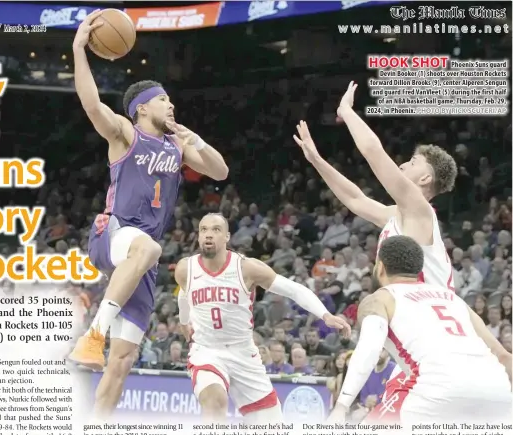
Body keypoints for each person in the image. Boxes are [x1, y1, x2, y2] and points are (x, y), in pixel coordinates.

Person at [68, 11, 229, 418]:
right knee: (150, 247)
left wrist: (196, 139)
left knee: (122, 360)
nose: (171, 104)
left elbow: (220, 171)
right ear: (142, 109)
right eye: (163, 99)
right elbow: (91, 104)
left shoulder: (177, 146)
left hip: (141, 260)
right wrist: (78, 51)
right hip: (113, 232)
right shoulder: (126, 133)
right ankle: (93, 333)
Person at [293, 81, 466, 407]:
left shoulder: (420, 211)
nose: (403, 165)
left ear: (425, 179)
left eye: (413, 162)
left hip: (433, 347)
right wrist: (316, 159)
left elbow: (373, 151)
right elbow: (355, 198)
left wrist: (346, 112)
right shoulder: (397, 215)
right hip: (417, 349)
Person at [174, 213, 351, 422]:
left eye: (215, 230)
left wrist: (325, 314)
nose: (208, 235)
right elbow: (184, 295)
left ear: (227, 237)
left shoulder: (246, 268)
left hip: (243, 353)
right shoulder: (186, 268)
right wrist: (184, 321)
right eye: (203, 230)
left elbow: (293, 290)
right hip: (207, 350)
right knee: (214, 402)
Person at [328, 236, 512, 423]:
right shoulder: (453, 299)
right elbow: (503, 356)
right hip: (496, 389)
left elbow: (369, 351)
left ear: (380, 267)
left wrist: (341, 406)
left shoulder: (379, 299)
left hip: (439, 387)